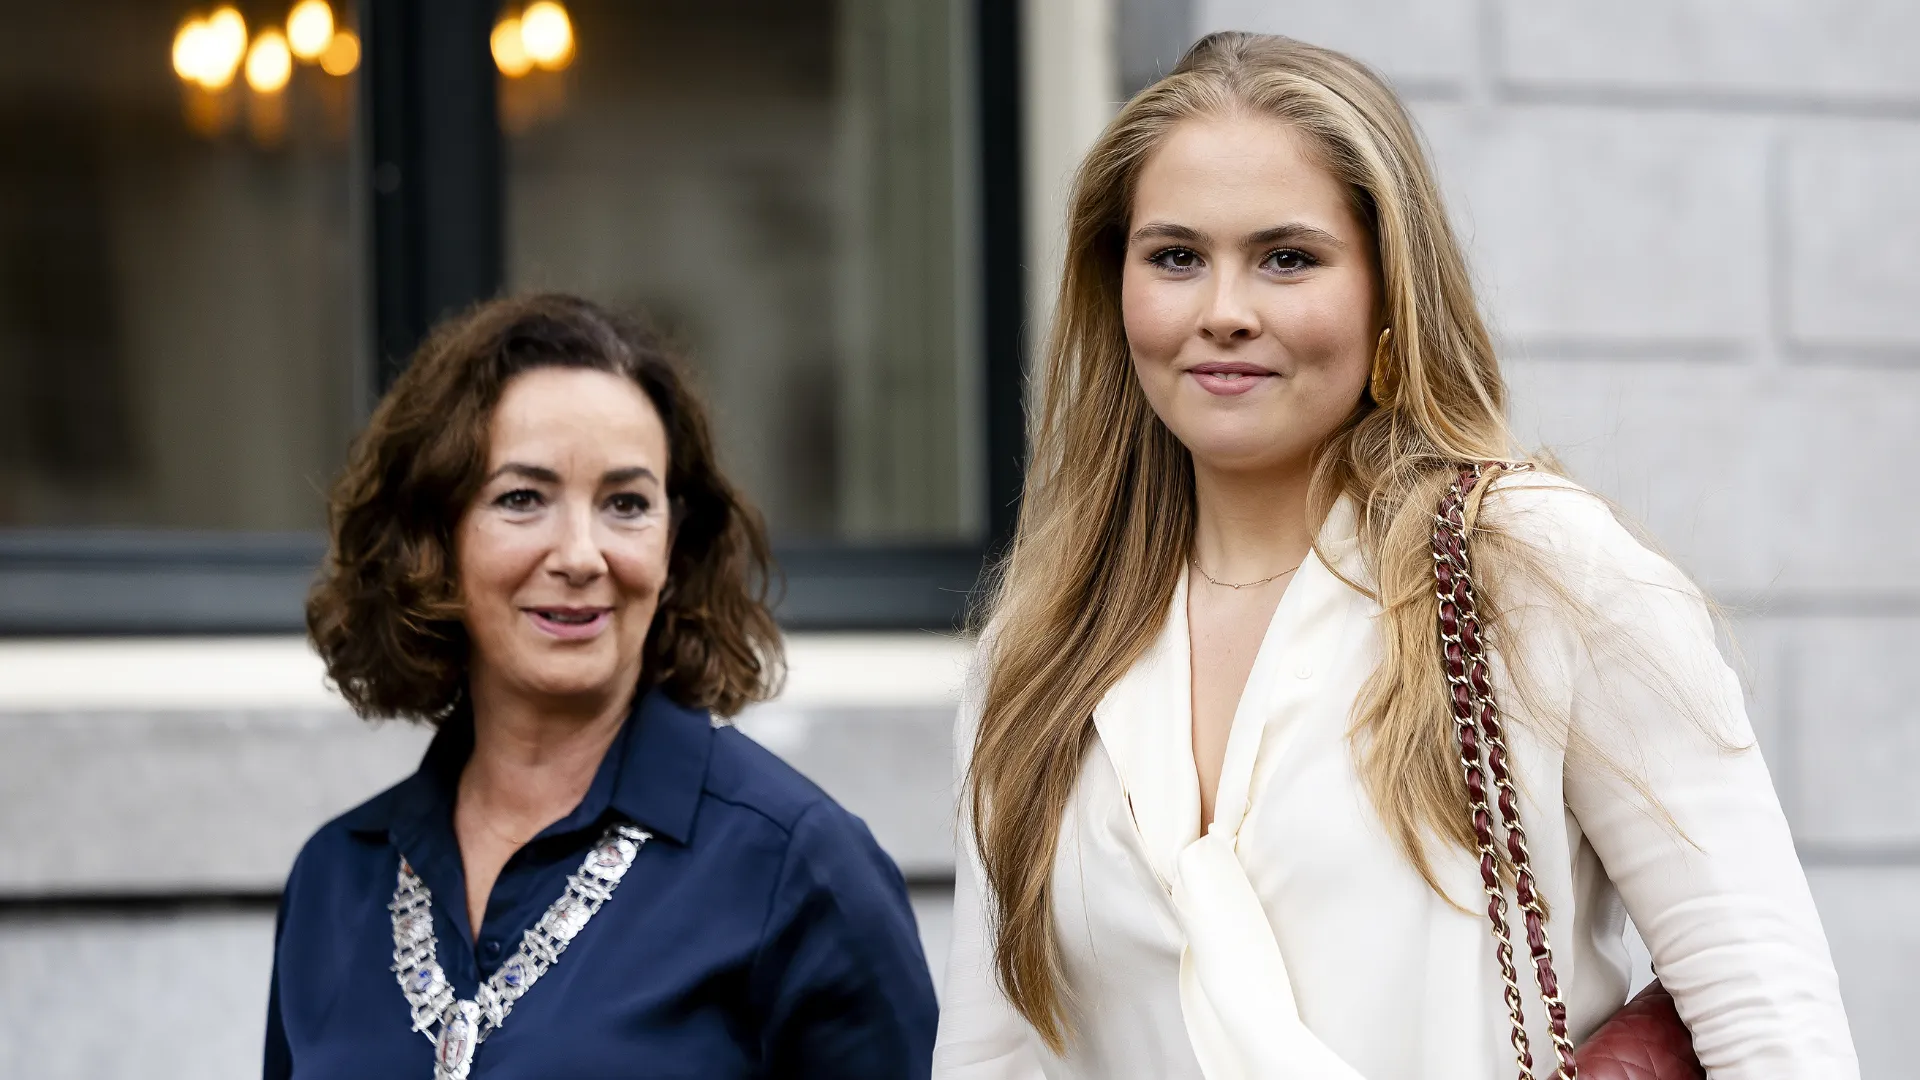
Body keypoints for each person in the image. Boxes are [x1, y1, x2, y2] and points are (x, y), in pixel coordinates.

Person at [933, 32, 1856, 1079]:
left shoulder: (1532, 574)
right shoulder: (1039, 649)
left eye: (1288, 258)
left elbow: (1771, 1020)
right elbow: (991, 1057)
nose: (1224, 312)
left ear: (1389, 290)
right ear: (1117, 287)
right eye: (1176, 257)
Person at [268, 293, 936, 1078]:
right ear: (432, 540)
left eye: (626, 504)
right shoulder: (336, 879)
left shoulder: (796, 866)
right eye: (523, 499)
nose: (581, 556)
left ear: (674, 545)